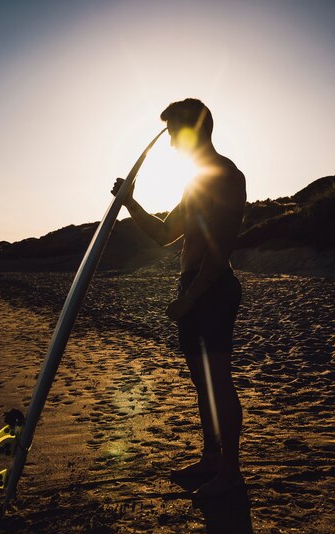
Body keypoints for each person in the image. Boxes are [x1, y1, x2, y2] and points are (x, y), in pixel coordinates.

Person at [111, 98, 246, 497]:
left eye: (173, 134)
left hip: (213, 290)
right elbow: (165, 233)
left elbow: (219, 251)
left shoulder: (224, 177)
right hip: (193, 289)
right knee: (201, 384)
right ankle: (211, 459)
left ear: (193, 130)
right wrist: (131, 202)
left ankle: (230, 474)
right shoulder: (196, 180)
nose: (170, 144)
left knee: (219, 382)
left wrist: (192, 298)